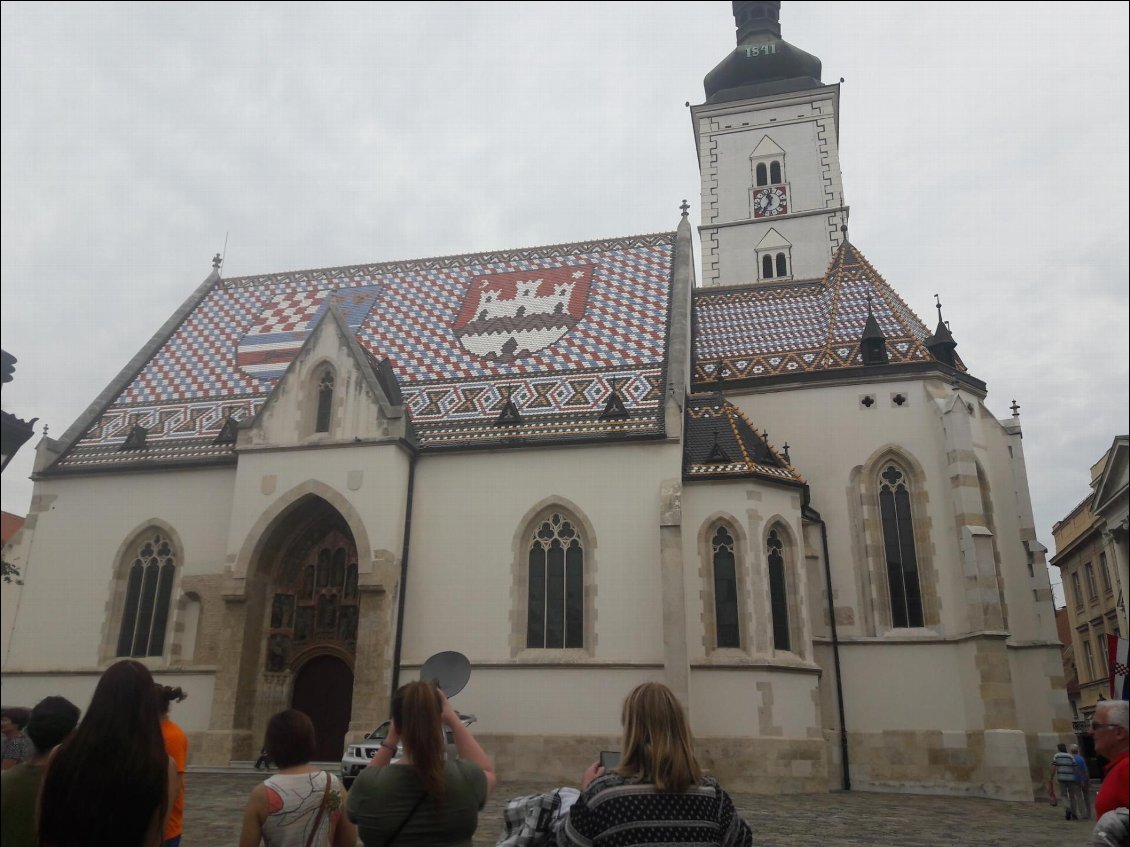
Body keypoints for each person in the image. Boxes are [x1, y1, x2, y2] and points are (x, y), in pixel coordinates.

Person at [556, 681, 753, 847]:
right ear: (679, 728)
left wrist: (586, 792)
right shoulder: (712, 795)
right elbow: (742, 841)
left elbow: (565, 843)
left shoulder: (602, 795)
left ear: (631, 731)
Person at [38, 659, 177, 847]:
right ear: (148, 703)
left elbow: (43, 822)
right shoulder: (162, 765)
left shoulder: (61, 753)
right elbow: (153, 840)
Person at [347, 680, 497, 846]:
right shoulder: (466, 777)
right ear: (439, 720)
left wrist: (391, 739)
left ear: (396, 724)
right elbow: (486, 771)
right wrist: (453, 720)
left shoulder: (369, 784)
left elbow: (353, 808)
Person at [238, 709, 356, 847]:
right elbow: (348, 842)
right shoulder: (333, 785)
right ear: (310, 741)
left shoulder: (261, 794)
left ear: (270, 746)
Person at [0, 696, 80, 847]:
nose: (2, 723)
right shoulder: (76, 784)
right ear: (71, 735)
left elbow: (6, 766)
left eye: (6, 720)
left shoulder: (8, 780)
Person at [157, 685, 190, 847]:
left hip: (165, 828)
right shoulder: (152, 731)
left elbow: (174, 787)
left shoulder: (173, 736)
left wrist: (160, 831)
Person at [1093, 699, 1129, 819]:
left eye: (1096, 726)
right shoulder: (1119, 766)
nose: (1090, 732)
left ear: (1119, 732)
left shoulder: (1126, 768)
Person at [1053, 741, 1086, 821]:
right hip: (1071, 778)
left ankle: (1068, 807)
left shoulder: (1056, 756)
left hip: (1061, 777)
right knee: (1072, 796)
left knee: (1063, 795)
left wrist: (1051, 777)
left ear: (1058, 749)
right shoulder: (1070, 756)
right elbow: (1075, 768)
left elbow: (1054, 767)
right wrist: (1081, 779)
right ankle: (1074, 814)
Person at [1072, 742, 1093, 820]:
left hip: (1075, 779)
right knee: (1086, 797)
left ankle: (1082, 813)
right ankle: (1089, 813)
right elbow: (1085, 770)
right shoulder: (1081, 758)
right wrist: (1088, 779)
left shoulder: (1071, 759)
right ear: (1077, 750)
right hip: (1084, 779)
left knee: (1079, 797)